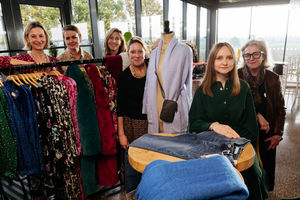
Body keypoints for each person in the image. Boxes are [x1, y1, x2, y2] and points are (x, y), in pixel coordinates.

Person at [189, 42, 268, 200]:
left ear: (234, 61)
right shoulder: (202, 90)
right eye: (219, 58)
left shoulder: (244, 89)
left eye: (229, 57)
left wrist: (234, 143)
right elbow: (194, 124)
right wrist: (213, 126)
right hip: (209, 146)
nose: (225, 62)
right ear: (212, 62)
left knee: (252, 174)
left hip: (240, 145)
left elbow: (252, 129)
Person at [238, 39, 286, 191]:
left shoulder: (273, 78)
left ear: (263, 55)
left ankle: (265, 191)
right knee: (246, 166)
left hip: (268, 131)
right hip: (243, 130)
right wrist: (257, 115)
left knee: (267, 165)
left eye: (256, 54)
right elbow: (237, 106)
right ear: (244, 58)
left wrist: (278, 133)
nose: (251, 58)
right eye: (247, 55)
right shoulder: (237, 76)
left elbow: (280, 108)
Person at [117, 36, 148, 195]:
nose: (137, 55)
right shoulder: (124, 77)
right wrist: (121, 134)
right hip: (132, 126)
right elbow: (120, 108)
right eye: (133, 52)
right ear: (128, 54)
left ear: (145, 52)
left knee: (151, 161)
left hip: (152, 124)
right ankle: (133, 194)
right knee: (133, 164)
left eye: (140, 51)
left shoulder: (153, 70)